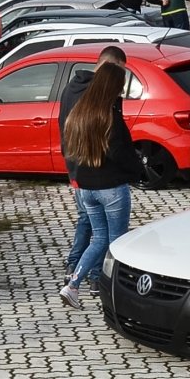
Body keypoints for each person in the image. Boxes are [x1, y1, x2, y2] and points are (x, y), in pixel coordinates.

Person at [56, 50, 138, 309]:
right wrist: (138, 170)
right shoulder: (108, 116)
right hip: (111, 188)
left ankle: (72, 284)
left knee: (98, 239)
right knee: (118, 242)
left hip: (86, 186)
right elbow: (121, 152)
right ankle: (115, 294)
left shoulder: (80, 113)